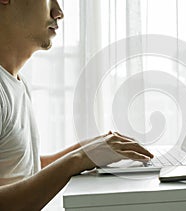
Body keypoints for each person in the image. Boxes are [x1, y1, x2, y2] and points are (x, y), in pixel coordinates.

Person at [0, 0, 153, 210]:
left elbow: (20, 170)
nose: (58, 12)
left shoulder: (15, 82)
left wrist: (88, 149)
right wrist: (78, 159)